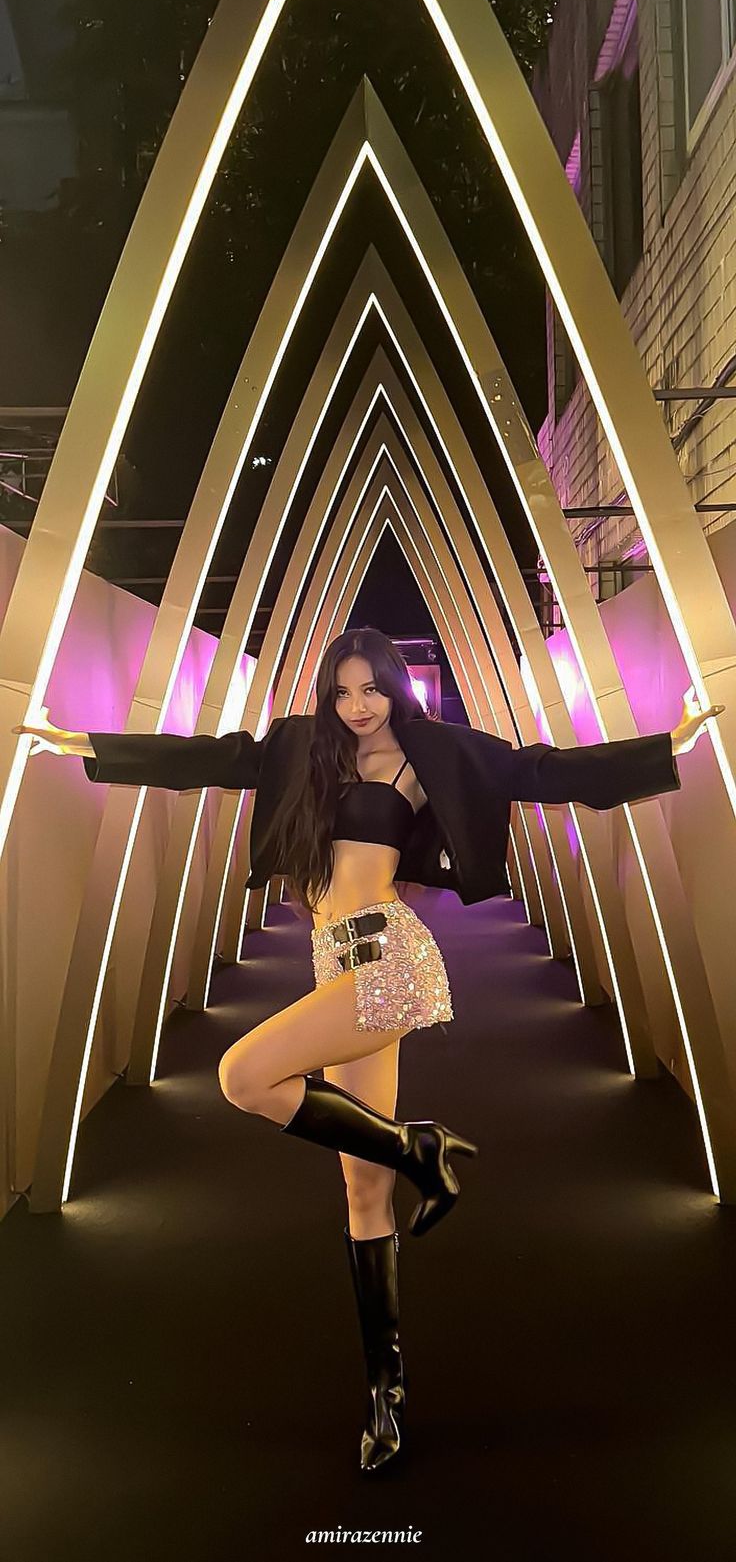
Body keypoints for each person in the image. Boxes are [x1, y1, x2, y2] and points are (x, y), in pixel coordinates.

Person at [12, 626, 725, 1475]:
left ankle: (420, 1146)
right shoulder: (301, 749)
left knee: (242, 1075)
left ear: (396, 688)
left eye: (372, 690)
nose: (358, 707)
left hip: (387, 957)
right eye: (344, 691)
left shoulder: (426, 754)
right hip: (330, 956)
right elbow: (203, 756)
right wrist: (79, 741)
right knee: (361, 1185)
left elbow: (544, 771)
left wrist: (669, 743)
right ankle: (384, 1385)